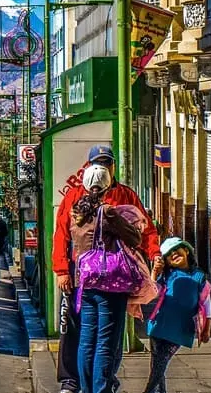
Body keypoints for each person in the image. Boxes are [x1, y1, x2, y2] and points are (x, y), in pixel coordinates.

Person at [51, 144, 161, 393]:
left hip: (85, 280)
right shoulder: (98, 205)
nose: (104, 166)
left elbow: (148, 230)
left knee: (87, 339)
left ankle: (86, 386)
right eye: (99, 162)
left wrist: (155, 251)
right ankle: (99, 386)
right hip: (112, 280)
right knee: (104, 341)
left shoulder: (86, 201)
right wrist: (61, 270)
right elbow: (137, 235)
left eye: (106, 162)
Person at [143, 237, 211, 393]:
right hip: (159, 325)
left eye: (176, 250)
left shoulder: (199, 277)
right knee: (157, 363)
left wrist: (207, 329)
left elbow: (207, 305)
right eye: (168, 254)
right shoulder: (167, 276)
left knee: (160, 363)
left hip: (181, 328)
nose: (173, 254)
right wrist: (155, 272)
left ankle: (148, 391)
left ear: (186, 250)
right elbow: (153, 292)